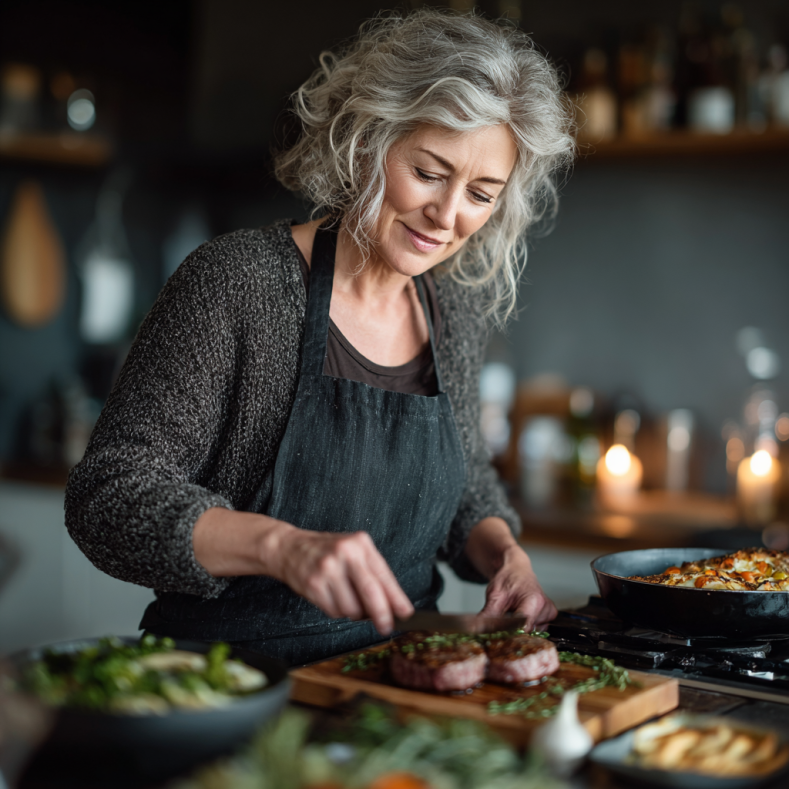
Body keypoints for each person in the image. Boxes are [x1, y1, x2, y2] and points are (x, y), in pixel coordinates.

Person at [65, 9, 575, 666]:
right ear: (367, 139)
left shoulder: (452, 309)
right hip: (229, 685)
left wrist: (504, 552)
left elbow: (465, 485)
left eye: (481, 192)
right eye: (427, 172)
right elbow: (107, 495)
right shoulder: (239, 282)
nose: (447, 216)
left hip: (401, 681)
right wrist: (280, 546)